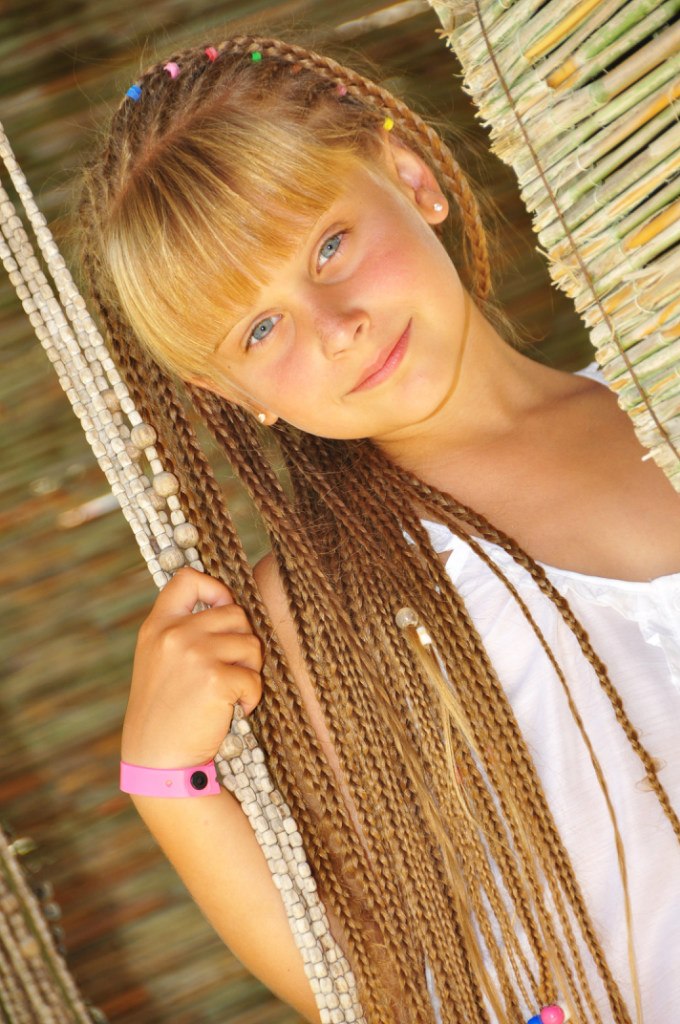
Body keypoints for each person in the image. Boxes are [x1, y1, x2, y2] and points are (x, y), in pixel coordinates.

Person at [77, 30, 680, 1024]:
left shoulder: (657, 388)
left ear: (410, 176)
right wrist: (166, 787)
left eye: (328, 246)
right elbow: (378, 984)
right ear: (230, 392)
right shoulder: (328, 613)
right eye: (259, 329)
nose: (334, 325)